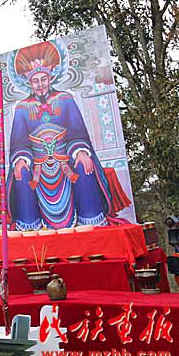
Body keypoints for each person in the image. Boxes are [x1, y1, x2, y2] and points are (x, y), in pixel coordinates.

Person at [7, 41, 130, 230]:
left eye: (43, 79)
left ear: (50, 79)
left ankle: (89, 221)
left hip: (66, 159)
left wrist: (80, 152)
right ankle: (30, 227)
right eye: (35, 81)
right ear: (29, 83)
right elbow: (19, 143)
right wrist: (22, 159)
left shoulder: (65, 99)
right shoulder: (22, 108)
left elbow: (77, 133)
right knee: (20, 171)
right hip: (37, 165)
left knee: (84, 163)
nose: (40, 85)